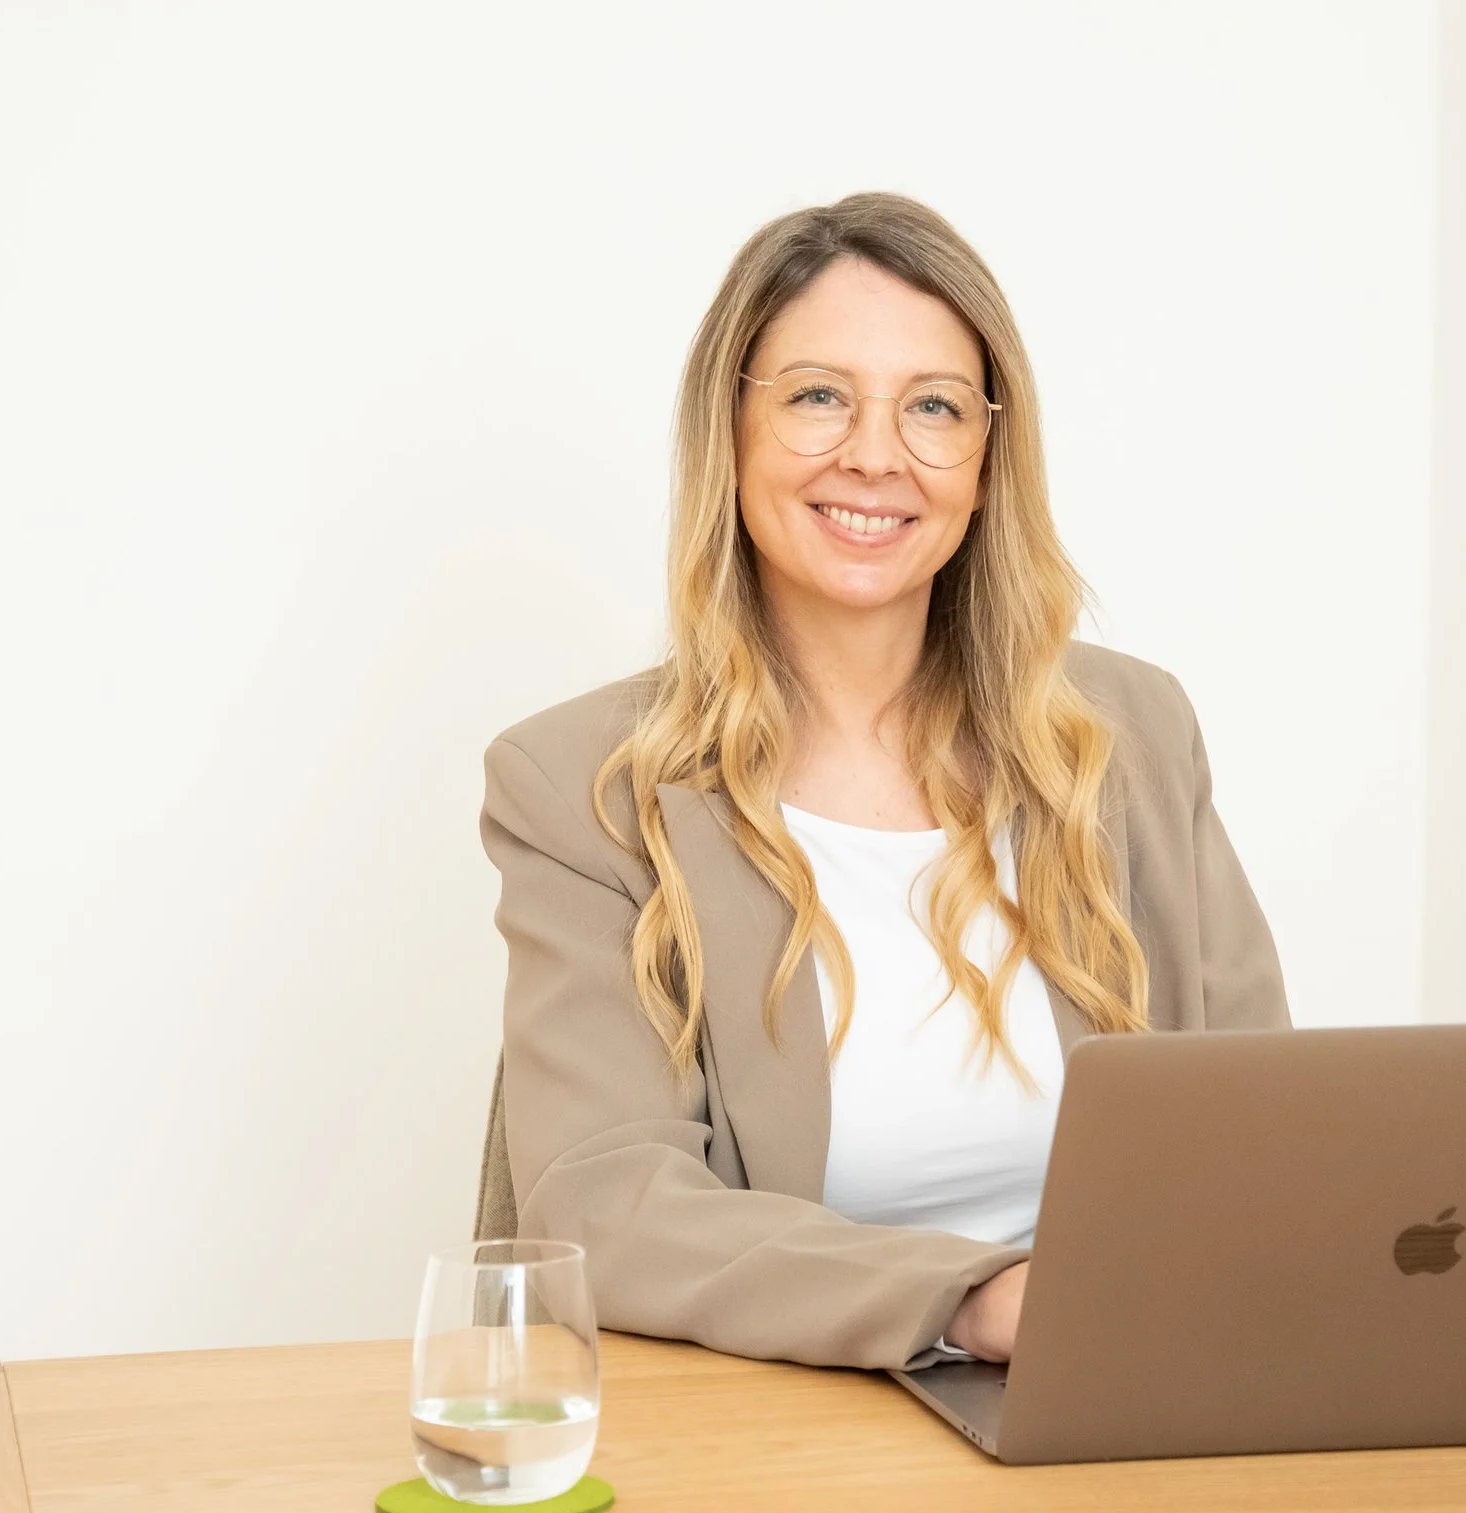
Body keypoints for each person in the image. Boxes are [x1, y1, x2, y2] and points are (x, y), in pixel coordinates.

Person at [480, 192, 1286, 1372]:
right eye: (818, 396)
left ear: (987, 459)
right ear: (731, 430)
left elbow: (1266, 1127)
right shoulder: (583, 788)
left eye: (934, 407)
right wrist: (972, 1303)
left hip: (1125, 1395)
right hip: (787, 1426)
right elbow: (608, 1205)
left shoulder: (1130, 734)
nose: (875, 454)